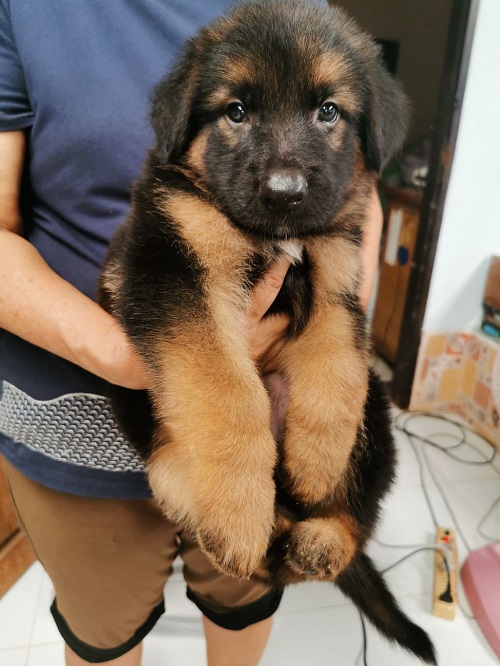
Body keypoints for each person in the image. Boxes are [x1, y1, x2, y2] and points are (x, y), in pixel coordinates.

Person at [0, 1, 383, 664]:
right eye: (236, 111)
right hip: (76, 416)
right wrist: (128, 356)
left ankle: (333, 522)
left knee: (246, 593)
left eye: (324, 111)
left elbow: (360, 186)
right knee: (103, 632)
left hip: (276, 426)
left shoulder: (306, 17)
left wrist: (330, 331)